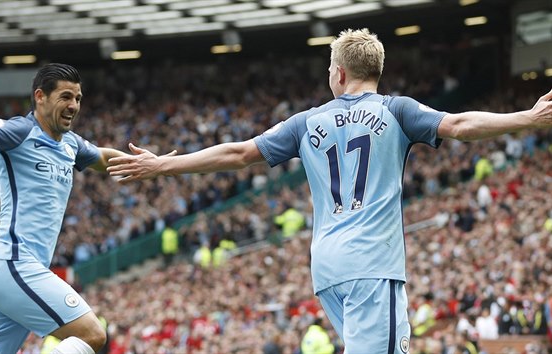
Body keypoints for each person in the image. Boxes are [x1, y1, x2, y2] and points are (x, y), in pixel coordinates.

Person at [107, 28, 552, 353]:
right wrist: (526, 119)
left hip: (327, 270)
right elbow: (458, 124)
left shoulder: (306, 122)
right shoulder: (396, 110)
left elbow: (239, 153)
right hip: (373, 264)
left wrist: (163, 164)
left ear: (338, 73)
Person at [0, 63, 149, 354]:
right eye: (66, 97)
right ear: (40, 96)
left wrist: (151, 165)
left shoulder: (71, 145)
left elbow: (103, 158)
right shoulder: (21, 130)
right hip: (14, 264)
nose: (74, 105)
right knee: (92, 334)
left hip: (11, 273)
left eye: (78, 98)